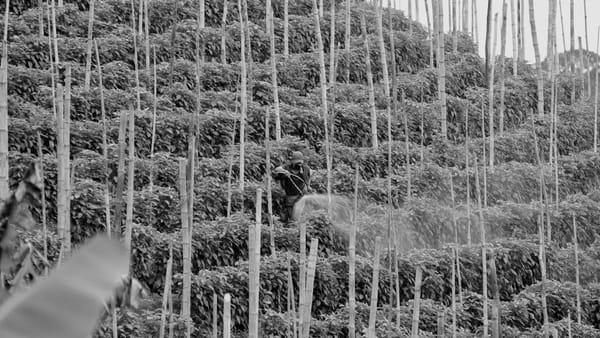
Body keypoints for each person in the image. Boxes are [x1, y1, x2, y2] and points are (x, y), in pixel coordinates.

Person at [273, 151, 313, 223]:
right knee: (291, 214)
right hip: (290, 195)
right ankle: (292, 226)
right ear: (292, 161)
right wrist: (284, 172)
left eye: (300, 163)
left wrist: (308, 185)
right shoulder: (287, 167)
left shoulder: (305, 169)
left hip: (301, 194)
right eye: (297, 162)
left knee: (300, 213)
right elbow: (277, 169)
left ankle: (299, 227)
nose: (299, 164)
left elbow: (310, 174)